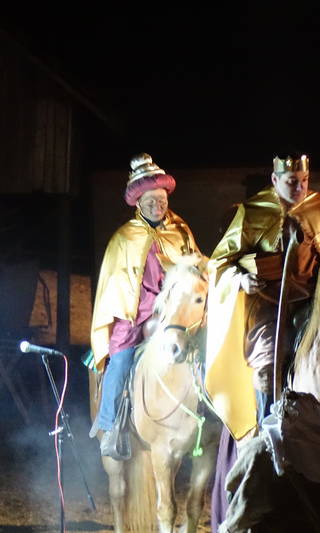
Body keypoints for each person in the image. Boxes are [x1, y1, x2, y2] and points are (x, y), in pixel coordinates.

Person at [204, 153, 320, 531]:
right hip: (268, 302)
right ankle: (265, 433)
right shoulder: (253, 211)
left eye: (304, 180)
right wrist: (241, 278)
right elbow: (221, 263)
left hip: (312, 300)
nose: (300, 187)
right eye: (292, 181)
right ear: (274, 180)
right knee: (268, 356)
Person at [89, 154, 198, 455]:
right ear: (138, 202)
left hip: (175, 312)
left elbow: (195, 266)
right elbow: (114, 284)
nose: (157, 205)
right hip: (136, 314)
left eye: (161, 199)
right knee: (121, 360)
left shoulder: (180, 229)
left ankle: (210, 421)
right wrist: (136, 310)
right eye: (150, 201)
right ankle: (110, 426)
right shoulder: (124, 238)